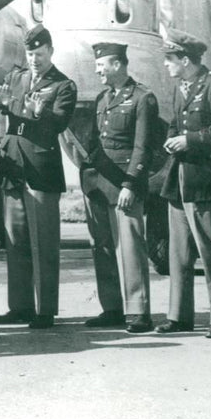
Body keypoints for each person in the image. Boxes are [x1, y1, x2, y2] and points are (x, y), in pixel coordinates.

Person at [0, 24, 77, 329]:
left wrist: (38, 112)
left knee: (43, 244)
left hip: (40, 172)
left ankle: (45, 309)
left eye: (40, 53)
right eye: (31, 54)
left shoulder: (63, 85)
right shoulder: (15, 78)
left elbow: (58, 124)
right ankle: (19, 306)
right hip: (12, 169)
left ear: (51, 51)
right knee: (16, 242)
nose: (35, 59)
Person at [159, 30, 211, 337]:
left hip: (205, 181)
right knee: (178, 254)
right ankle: (179, 316)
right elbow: (173, 125)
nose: (167, 65)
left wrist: (189, 140)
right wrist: (171, 140)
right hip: (178, 181)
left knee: (210, 253)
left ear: (185, 60)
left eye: (170, 59)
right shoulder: (181, 88)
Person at [79, 42, 158, 333]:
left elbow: (143, 147)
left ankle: (139, 312)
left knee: (131, 249)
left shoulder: (142, 98)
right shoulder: (102, 98)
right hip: (98, 184)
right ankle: (111, 308)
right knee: (102, 247)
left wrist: (130, 184)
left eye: (102, 65)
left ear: (117, 65)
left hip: (124, 184)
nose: (98, 70)